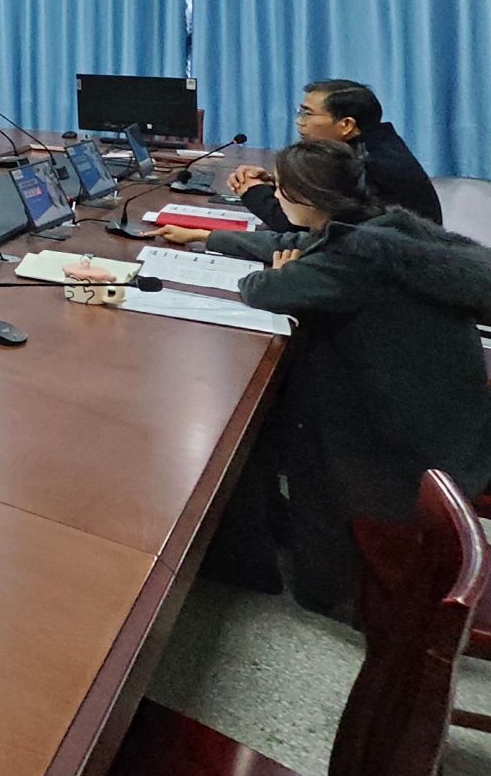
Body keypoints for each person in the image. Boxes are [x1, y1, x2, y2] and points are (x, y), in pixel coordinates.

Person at [168, 139, 491, 613]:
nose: (274, 198)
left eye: (279, 190)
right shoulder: (385, 229)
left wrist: (277, 276)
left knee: (264, 411)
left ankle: (310, 577)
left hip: (400, 444)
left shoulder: (352, 263)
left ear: (306, 198)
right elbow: (295, 246)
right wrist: (205, 238)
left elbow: (266, 289)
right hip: (450, 421)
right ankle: (270, 525)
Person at [225, 79, 440, 229]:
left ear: (346, 125)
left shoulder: (367, 163)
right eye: (300, 113)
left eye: (308, 114)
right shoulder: (375, 143)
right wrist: (277, 186)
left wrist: (252, 191)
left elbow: (302, 227)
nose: (299, 122)